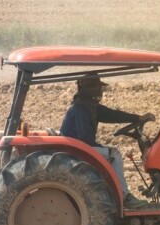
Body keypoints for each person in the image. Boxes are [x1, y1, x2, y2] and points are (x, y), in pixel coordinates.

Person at [61, 75, 155, 210]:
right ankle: (125, 197)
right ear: (89, 89)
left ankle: (116, 194)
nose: (100, 91)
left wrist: (137, 118)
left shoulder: (89, 106)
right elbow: (85, 140)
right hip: (76, 150)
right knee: (114, 154)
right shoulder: (80, 109)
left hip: (79, 147)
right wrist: (104, 151)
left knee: (109, 153)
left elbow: (113, 115)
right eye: (97, 88)